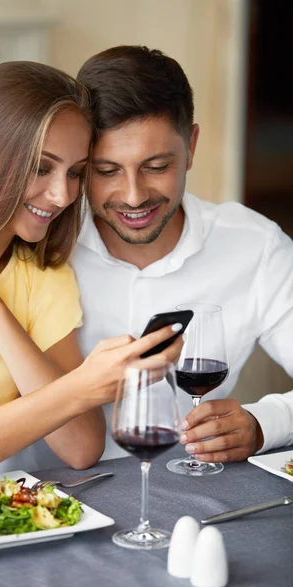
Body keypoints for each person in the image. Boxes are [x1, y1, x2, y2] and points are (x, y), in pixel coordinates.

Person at [0, 60, 183, 487]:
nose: (62, 194)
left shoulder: (42, 274)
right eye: (41, 167)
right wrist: (81, 387)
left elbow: (81, 448)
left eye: (76, 173)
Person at [72, 45, 293, 463]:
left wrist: (267, 421)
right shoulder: (39, 245)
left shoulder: (254, 246)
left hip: (189, 499)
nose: (134, 196)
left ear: (191, 146)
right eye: (106, 171)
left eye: (156, 166)